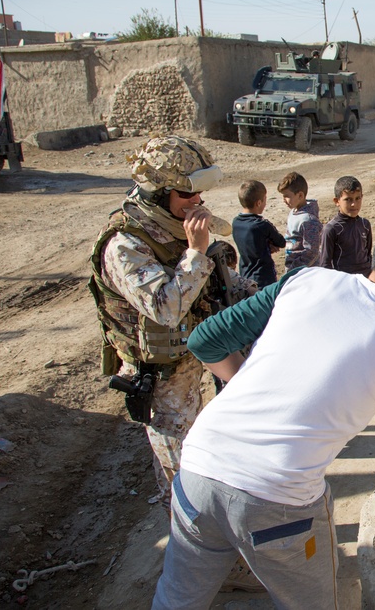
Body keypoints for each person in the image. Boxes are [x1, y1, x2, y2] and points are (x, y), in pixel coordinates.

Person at [151, 226, 375, 609]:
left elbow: (204, 341)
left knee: (178, 597)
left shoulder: (306, 279)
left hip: (198, 464)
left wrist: (253, 381)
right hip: (277, 498)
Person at [88, 135, 243, 508]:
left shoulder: (176, 225)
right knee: (182, 475)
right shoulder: (125, 244)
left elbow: (229, 285)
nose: (198, 202)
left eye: (200, 193)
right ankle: (191, 547)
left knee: (207, 448)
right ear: (159, 194)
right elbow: (167, 309)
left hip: (194, 359)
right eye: (188, 194)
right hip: (161, 380)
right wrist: (196, 253)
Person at [232, 180, 286, 289]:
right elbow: (281, 242)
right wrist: (269, 243)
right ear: (259, 203)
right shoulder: (262, 225)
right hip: (263, 278)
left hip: (245, 276)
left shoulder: (236, 223)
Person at [319, 175, 372, 276]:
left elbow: (368, 255)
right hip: (343, 280)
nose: (354, 204)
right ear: (337, 201)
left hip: (365, 279)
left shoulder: (365, 224)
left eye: (357, 198)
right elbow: (325, 264)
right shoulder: (332, 229)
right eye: (348, 199)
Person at [278, 171, 322, 270]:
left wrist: (295, 269)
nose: (284, 200)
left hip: (305, 273)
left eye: (287, 196)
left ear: (300, 196)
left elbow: (312, 252)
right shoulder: (294, 212)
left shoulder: (308, 220)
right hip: (293, 268)